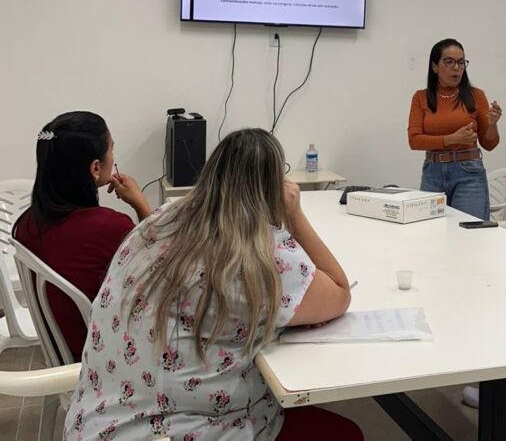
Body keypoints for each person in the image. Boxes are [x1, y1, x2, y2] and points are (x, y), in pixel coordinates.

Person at [63, 128, 362, 441]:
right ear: (275, 186)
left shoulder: (160, 219)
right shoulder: (263, 257)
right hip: (176, 430)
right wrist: (294, 214)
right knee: (345, 433)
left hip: (95, 422)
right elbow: (340, 292)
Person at [13, 111, 151, 360]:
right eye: (112, 150)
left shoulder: (26, 223)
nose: (114, 157)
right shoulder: (110, 228)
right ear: (96, 167)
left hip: (62, 348)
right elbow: (161, 270)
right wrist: (141, 204)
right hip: (101, 358)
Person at [408, 38, 502, 220]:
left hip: (469, 173)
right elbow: (414, 140)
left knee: (469, 233)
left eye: (461, 62)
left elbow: (489, 144)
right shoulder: (421, 97)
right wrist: (451, 139)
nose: (456, 67)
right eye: (449, 61)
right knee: (430, 233)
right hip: (433, 172)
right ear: (435, 66)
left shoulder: (476, 95)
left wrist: (492, 123)